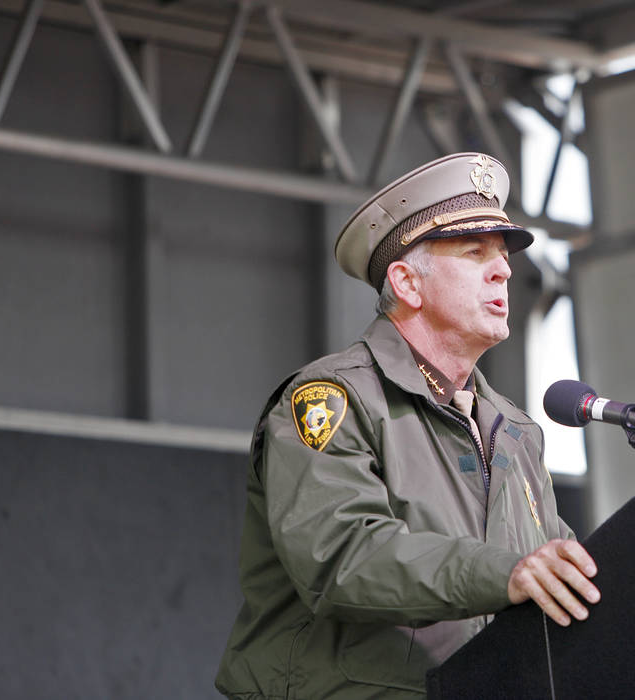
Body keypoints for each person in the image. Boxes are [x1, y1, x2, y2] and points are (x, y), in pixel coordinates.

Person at [215, 152, 599, 699]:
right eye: (475, 252)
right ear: (407, 283)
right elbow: (341, 555)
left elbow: (559, 575)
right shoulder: (332, 398)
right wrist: (505, 574)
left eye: (504, 256)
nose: (505, 270)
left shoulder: (516, 430)